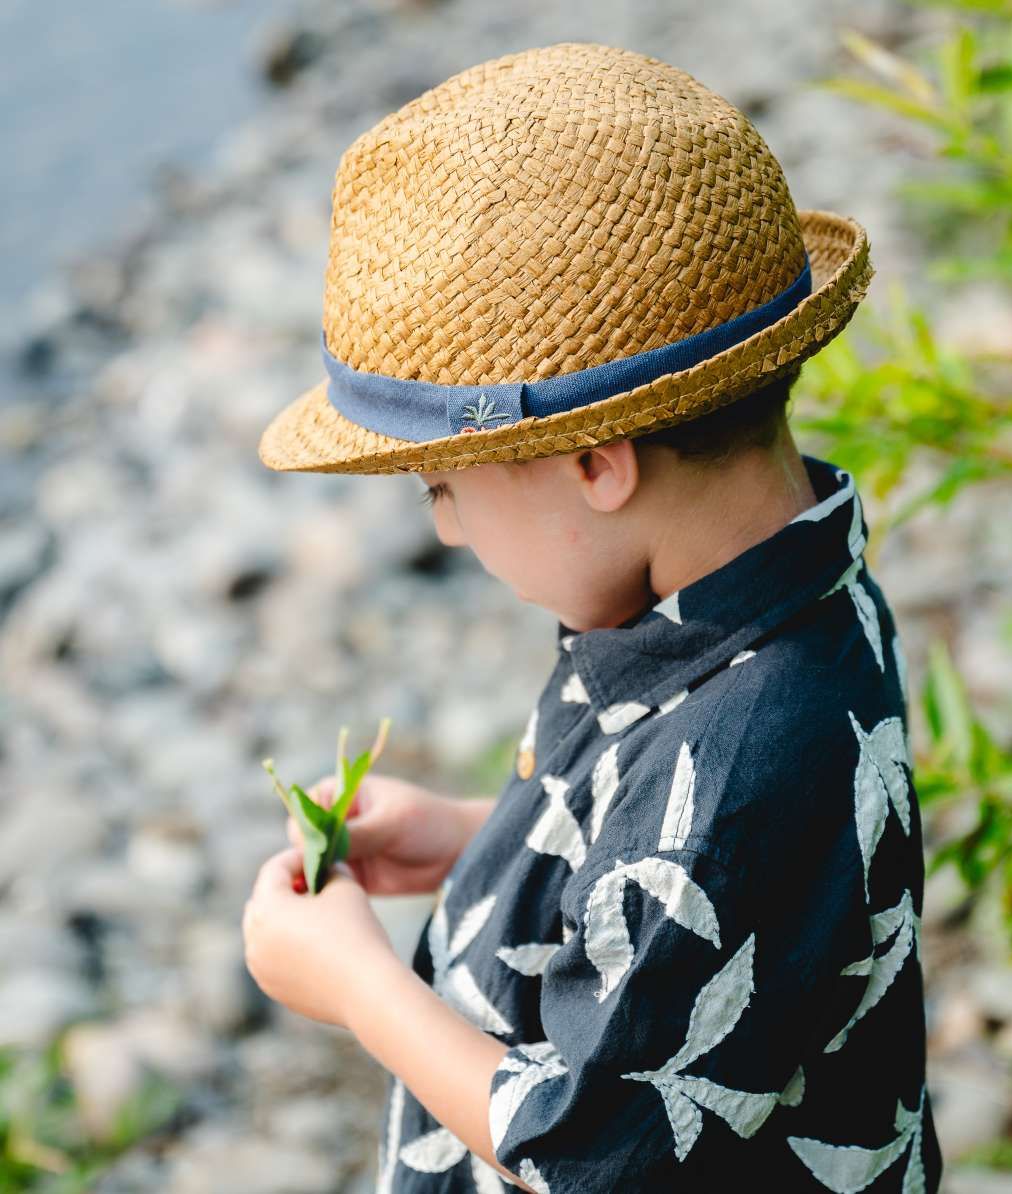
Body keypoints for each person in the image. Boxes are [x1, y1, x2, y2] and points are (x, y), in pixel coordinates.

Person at [242, 41, 943, 1193]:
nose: (447, 531)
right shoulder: (777, 594)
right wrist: (486, 839)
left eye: (442, 487)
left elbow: (585, 1146)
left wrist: (358, 984)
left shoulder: (748, 754)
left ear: (593, 466)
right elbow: (706, 888)